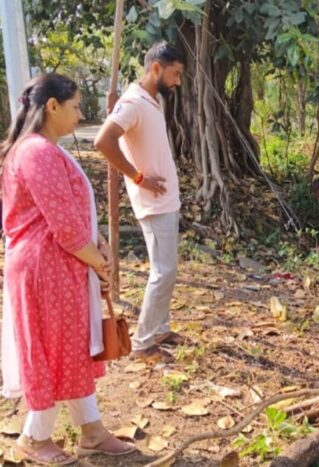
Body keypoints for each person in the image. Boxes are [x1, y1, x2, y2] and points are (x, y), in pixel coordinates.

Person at [0, 73, 136, 465]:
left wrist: (99, 246)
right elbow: (66, 227)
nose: (80, 115)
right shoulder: (36, 153)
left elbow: (72, 214)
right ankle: (33, 437)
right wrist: (99, 262)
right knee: (51, 352)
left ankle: (91, 432)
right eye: (75, 107)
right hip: (46, 271)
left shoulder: (40, 149)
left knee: (73, 349)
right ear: (52, 106)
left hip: (58, 268)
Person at [95, 41, 187, 361]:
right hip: (153, 203)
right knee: (163, 271)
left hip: (166, 201)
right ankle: (143, 341)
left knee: (168, 270)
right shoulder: (133, 101)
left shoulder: (150, 100)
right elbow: (103, 141)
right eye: (175, 74)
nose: (177, 81)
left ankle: (160, 328)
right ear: (156, 68)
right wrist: (137, 178)